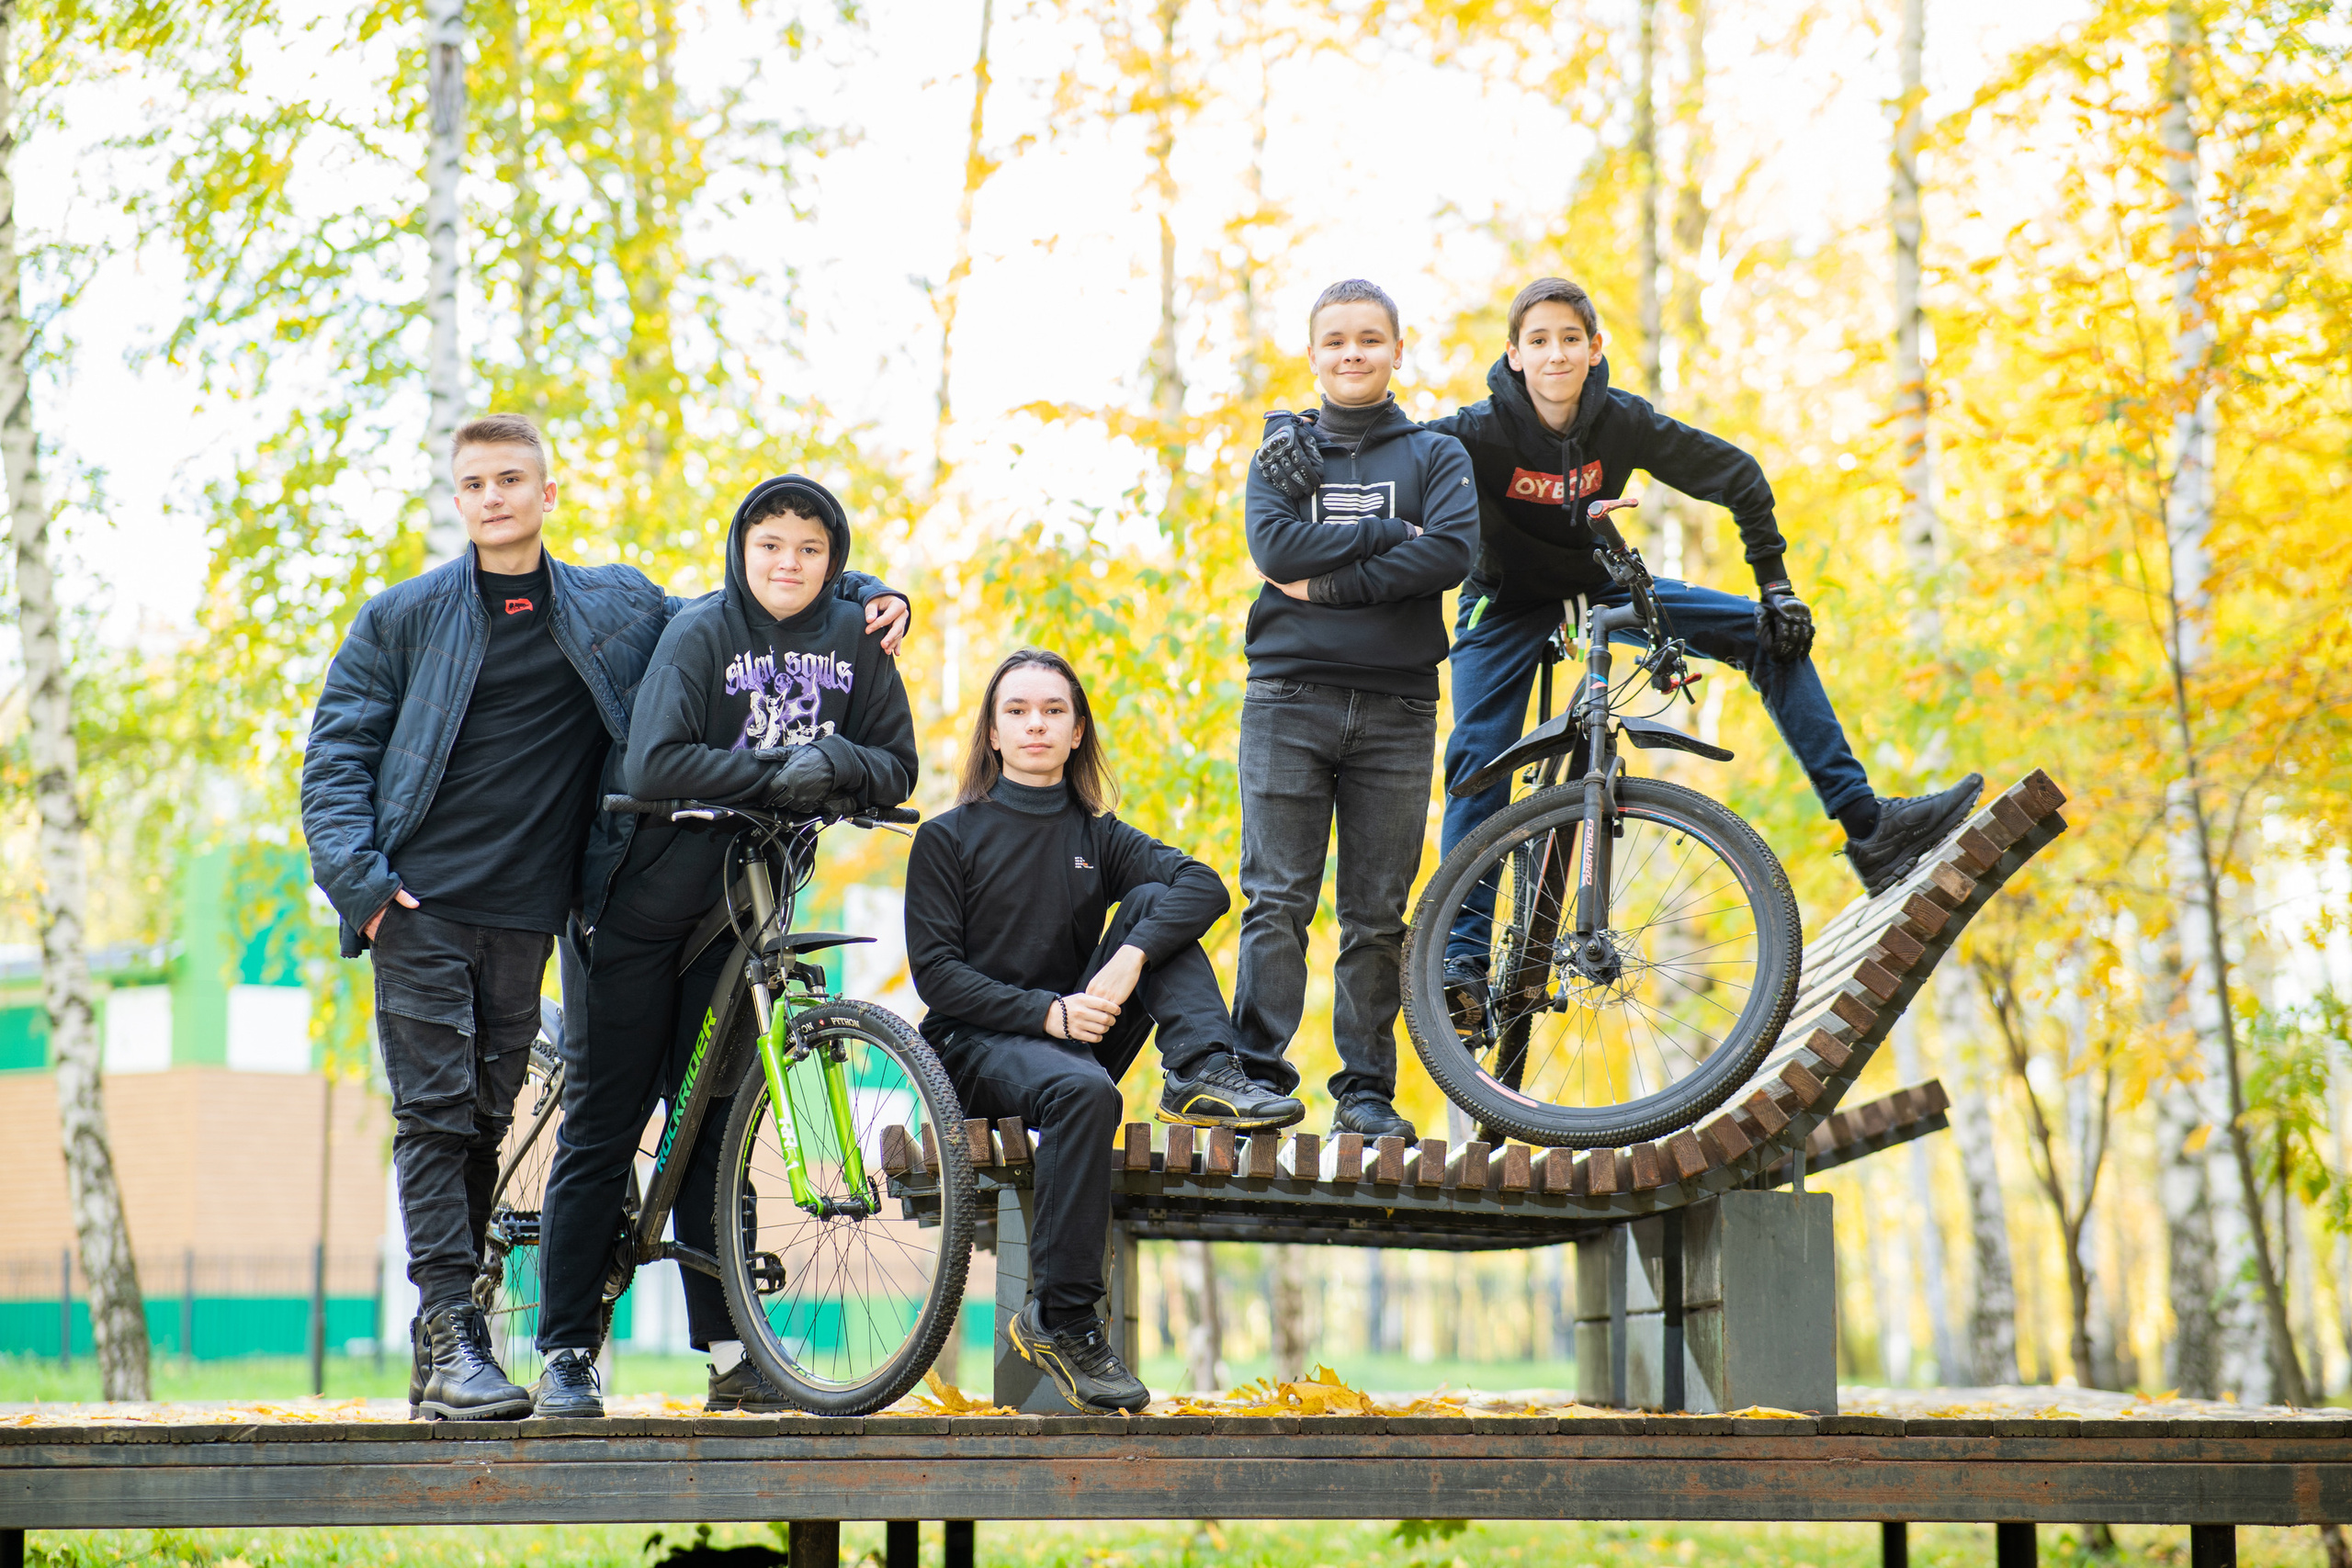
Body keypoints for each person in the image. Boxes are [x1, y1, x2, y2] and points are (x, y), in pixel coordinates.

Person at [301, 416, 906, 1422]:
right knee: (438, 1117)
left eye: (511, 480)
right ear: (457, 500)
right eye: (474, 484)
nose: (493, 497)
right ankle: (454, 1336)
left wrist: (862, 590)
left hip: (532, 908)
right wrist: (362, 889)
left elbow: (745, 595)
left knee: (484, 1122)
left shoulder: (615, 604)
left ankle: (454, 1339)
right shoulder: (402, 618)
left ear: (546, 494)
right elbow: (335, 758)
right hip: (419, 902)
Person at [1425, 276, 1981, 1020]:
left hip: (1601, 584)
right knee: (1478, 755)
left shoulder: (1622, 422)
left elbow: (1738, 476)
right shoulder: (1476, 431)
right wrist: (1306, 433)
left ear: (1595, 349)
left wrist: (1777, 586)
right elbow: (1386, 451)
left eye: (1570, 339)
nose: (1556, 354)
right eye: (1539, 340)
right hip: (1503, 602)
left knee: (1769, 639)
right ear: (1514, 354)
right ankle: (1460, 959)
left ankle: (1870, 827)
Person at [529, 475, 919, 1419]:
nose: (789, 562)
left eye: (810, 549)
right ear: (742, 549)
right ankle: (567, 1352)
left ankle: (732, 1356)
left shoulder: (856, 638)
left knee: (712, 1128)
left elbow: (897, 763)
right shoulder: (701, 632)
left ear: (834, 559)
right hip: (633, 902)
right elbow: (655, 761)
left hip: (743, 911)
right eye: (770, 544)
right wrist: (782, 775)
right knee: (607, 1119)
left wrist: (836, 763)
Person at [904, 649, 1299, 1414]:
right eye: (1018, 711)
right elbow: (938, 977)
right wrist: (1047, 1013)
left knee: (1157, 902)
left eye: (1054, 710)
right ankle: (1062, 1317)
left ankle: (1201, 1071)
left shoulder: (1096, 834)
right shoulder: (947, 838)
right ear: (993, 731)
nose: (1036, 724)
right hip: (974, 1052)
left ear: (1078, 729)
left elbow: (1206, 886)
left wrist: (1128, 957)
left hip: (1071, 1041)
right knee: (1087, 1092)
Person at [1238, 278, 1479, 1143]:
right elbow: (1274, 548)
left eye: (1370, 339)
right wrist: (1385, 535)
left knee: (1377, 915)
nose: (1352, 353)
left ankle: (1366, 1096)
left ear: (1396, 351)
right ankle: (1255, 1080)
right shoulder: (1281, 453)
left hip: (1397, 706)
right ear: (1312, 354)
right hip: (1286, 698)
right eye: (1335, 340)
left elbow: (1449, 555)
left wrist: (1327, 582)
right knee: (1276, 899)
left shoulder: (1437, 456)